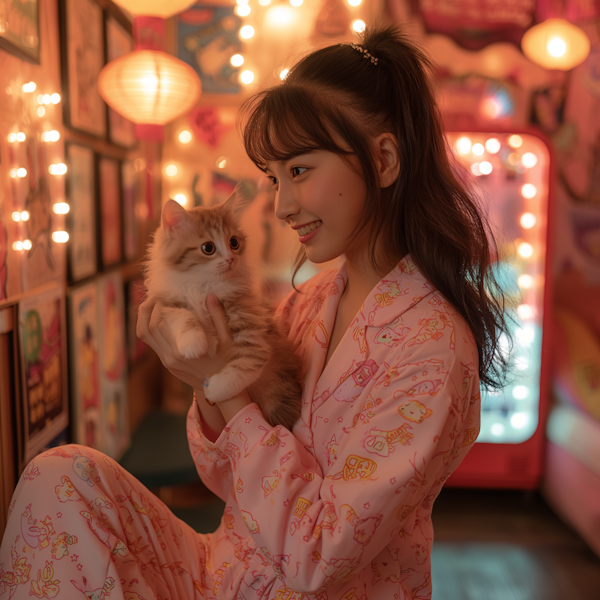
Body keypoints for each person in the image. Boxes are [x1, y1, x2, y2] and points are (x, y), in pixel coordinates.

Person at [0, 23, 510, 600]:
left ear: (385, 159)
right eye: (274, 178)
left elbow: (318, 557)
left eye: (298, 171)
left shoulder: (432, 345)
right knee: (59, 475)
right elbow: (223, 476)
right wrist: (207, 384)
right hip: (228, 568)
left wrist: (228, 392)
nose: (281, 204)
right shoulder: (311, 301)